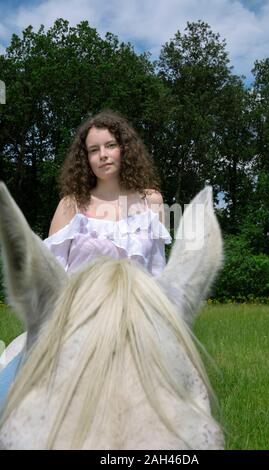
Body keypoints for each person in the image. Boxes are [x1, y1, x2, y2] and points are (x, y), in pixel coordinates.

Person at [0, 109, 172, 406]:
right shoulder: (70, 205)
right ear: (86, 159)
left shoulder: (152, 201)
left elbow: (157, 268)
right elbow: (51, 272)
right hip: (76, 318)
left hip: (136, 319)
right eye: (94, 150)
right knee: (14, 390)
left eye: (110, 146)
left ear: (124, 150)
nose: (103, 155)